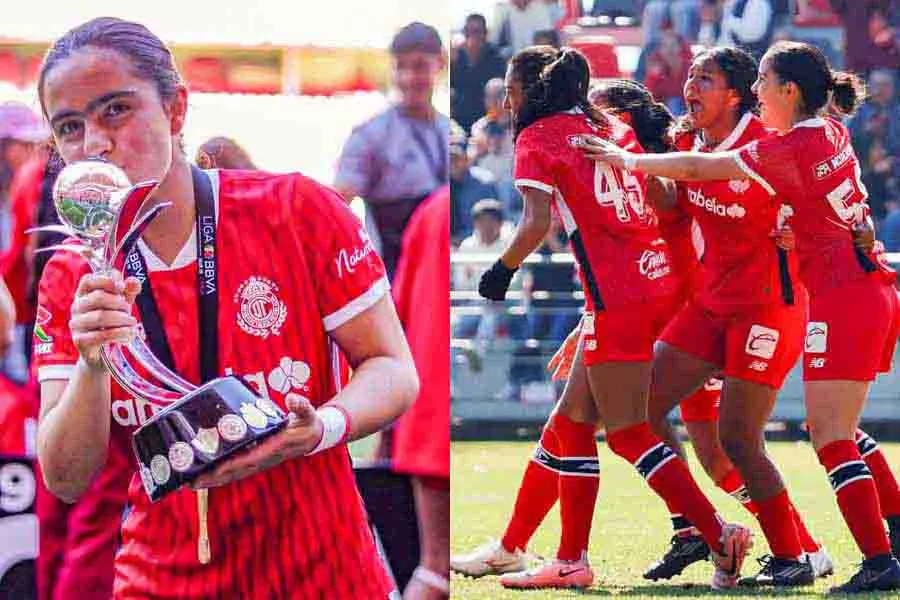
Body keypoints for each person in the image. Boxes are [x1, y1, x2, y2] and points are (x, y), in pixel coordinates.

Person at [33, 17, 418, 598]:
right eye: (69, 126)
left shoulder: (295, 210)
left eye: (116, 110)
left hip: (323, 574)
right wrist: (91, 364)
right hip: (159, 580)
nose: (96, 144)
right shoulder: (72, 274)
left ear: (176, 109)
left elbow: (392, 367)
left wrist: (320, 429)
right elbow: (65, 478)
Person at [578, 40, 900, 593]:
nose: (691, 88)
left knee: (754, 438)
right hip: (721, 300)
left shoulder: (773, 144)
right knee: (638, 409)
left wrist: (627, 159)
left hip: (780, 303)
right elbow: (684, 188)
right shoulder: (819, 132)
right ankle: (700, 529)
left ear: (763, 91)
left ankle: (821, 552)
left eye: (706, 78)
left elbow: (711, 168)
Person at [473, 46, 753, 590]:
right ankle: (556, 555)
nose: (506, 100)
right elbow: (655, 198)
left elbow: (534, 224)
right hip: (653, 284)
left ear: (528, 90)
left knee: (629, 433)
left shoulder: (537, 137)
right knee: (572, 421)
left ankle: (718, 534)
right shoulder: (605, 125)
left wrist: (501, 272)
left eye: (510, 88)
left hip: (618, 296)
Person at [335, 21, 449, 280]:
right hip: (394, 278)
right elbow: (337, 206)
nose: (409, 78)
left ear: (440, 63)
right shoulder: (370, 135)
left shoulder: (447, 130)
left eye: (419, 66)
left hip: (441, 274)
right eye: (401, 67)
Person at [391, 186, 450, 600]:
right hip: (436, 418)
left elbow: (398, 315)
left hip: (422, 416)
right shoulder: (438, 208)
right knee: (435, 574)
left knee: (433, 572)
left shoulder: (431, 210)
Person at [450, 14, 507, 134]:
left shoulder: (496, 58)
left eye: (477, 31)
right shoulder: (456, 57)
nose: (473, 36)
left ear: (485, 34)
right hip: (459, 120)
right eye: (469, 32)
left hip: (488, 123)